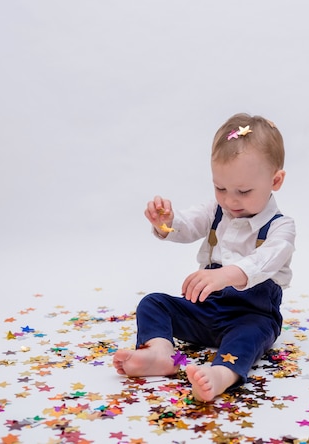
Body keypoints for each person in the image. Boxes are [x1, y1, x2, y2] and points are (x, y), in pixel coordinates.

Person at [113, 113, 296, 401]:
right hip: (208, 310)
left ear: (275, 180)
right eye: (220, 188)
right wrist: (166, 222)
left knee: (248, 336)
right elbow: (187, 226)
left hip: (252, 315)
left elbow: (267, 260)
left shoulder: (281, 227)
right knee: (153, 304)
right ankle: (160, 353)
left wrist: (226, 274)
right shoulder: (216, 209)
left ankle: (221, 374)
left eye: (244, 191)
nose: (230, 200)